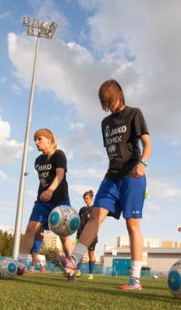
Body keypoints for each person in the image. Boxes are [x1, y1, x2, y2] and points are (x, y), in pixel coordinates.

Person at [59, 79, 152, 291]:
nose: (108, 105)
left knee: (132, 225)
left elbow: (147, 144)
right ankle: (74, 259)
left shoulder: (134, 114)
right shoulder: (105, 123)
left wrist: (143, 163)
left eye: (110, 100)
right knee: (95, 215)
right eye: (104, 103)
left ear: (120, 93)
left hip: (133, 176)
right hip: (111, 177)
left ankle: (135, 279)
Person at [16, 128, 74, 279]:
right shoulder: (38, 161)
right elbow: (43, 180)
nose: (36, 142)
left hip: (60, 200)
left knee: (63, 236)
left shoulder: (59, 155)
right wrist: (45, 193)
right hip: (42, 202)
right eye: (35, 140)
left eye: (39, 139)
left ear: (49, 139)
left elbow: (60, 175)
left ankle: (71, 266)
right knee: (30, 230)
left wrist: (51, 190)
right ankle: (20, 265)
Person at [76, 190, 98, 280]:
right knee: (79, 254)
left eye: (87, 198)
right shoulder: (82, 209)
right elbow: (78, 222)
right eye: (84, 198)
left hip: (91, 235)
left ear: (91, 198)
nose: (85, 200)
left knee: (91, 254)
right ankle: (78, 270)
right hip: (80, 235)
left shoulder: (95, 209)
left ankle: (91, 273)